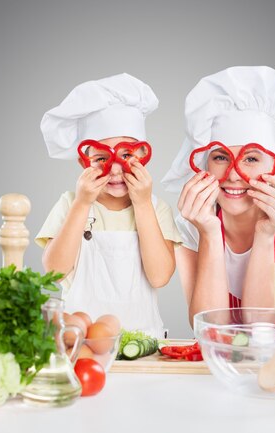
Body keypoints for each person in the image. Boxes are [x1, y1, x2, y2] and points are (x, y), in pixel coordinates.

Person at [162, 66, 275, 328]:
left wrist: (265, 235)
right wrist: (210, 233)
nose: (233, 174)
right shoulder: (190, 228)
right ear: (205, 165)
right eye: (220, 157)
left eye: (251, 159)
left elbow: (260, 324)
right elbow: (210, 328)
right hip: (228, 360)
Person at [35, 73, 181, 338]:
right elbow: (54, 273)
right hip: (80, 343)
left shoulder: (156, 208)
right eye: (101, 158)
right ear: (84, 163)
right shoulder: (70, 204)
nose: (115, 169)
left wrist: (143, 203)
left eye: (126, 155)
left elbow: (160, 277)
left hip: (145, 342)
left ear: (143, 155)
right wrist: (82, 203)